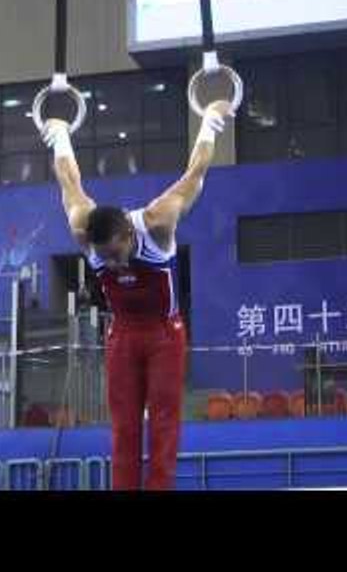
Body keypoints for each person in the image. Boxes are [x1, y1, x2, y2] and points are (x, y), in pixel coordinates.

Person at [41, 98, 232, 490]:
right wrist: (60, 135)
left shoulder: (159, 222)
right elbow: (68, 181)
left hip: (165, 335)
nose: (112, 265)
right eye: (103, 258)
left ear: (130, 236)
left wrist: (210, 121)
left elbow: (195, 173)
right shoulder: (85, 229)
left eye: (115, 255)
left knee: (163, 422)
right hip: (123, 335)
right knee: (124, 425)